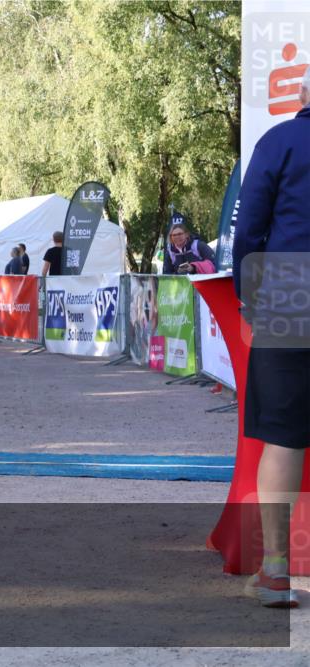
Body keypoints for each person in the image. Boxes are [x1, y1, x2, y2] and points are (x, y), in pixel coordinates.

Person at [232, 68, 310, 609]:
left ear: (304, 94)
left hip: (289, 299)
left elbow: (248, 232)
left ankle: (277, 572)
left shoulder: (279, 141)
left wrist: (250, 297)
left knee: (283, 435)